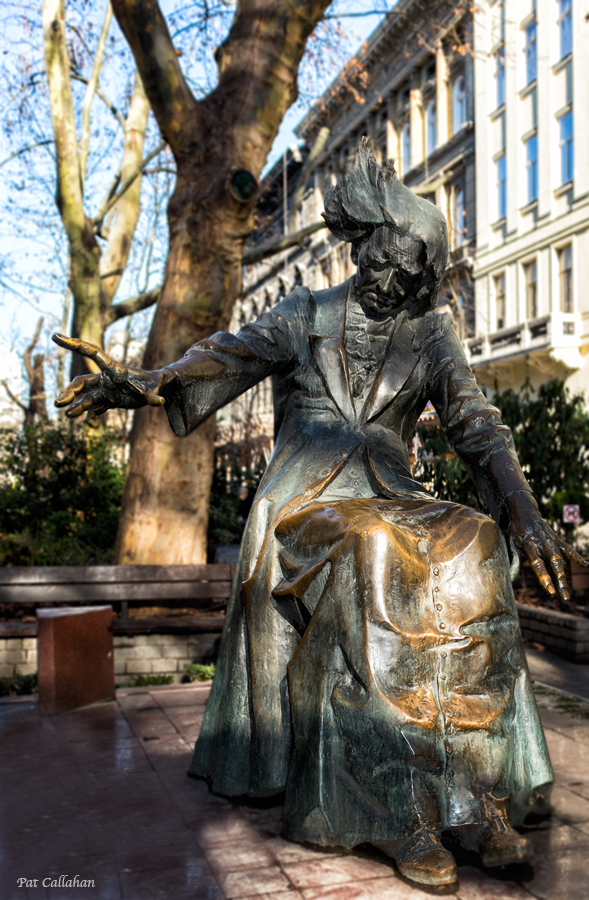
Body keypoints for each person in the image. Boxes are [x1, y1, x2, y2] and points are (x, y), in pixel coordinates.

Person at [54, 142, 583, 888]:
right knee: (370, 550)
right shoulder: (304, 313)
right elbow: (226, 355)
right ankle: (397, 807)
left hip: (393, 495)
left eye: (405, 275)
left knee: (475, 540)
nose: (386, 281)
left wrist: (524, 513)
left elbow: (476, 424)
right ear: (363, 243)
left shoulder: (431, 332)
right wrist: (145, 383)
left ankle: (476, 791)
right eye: (379, 261)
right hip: (307, 503)